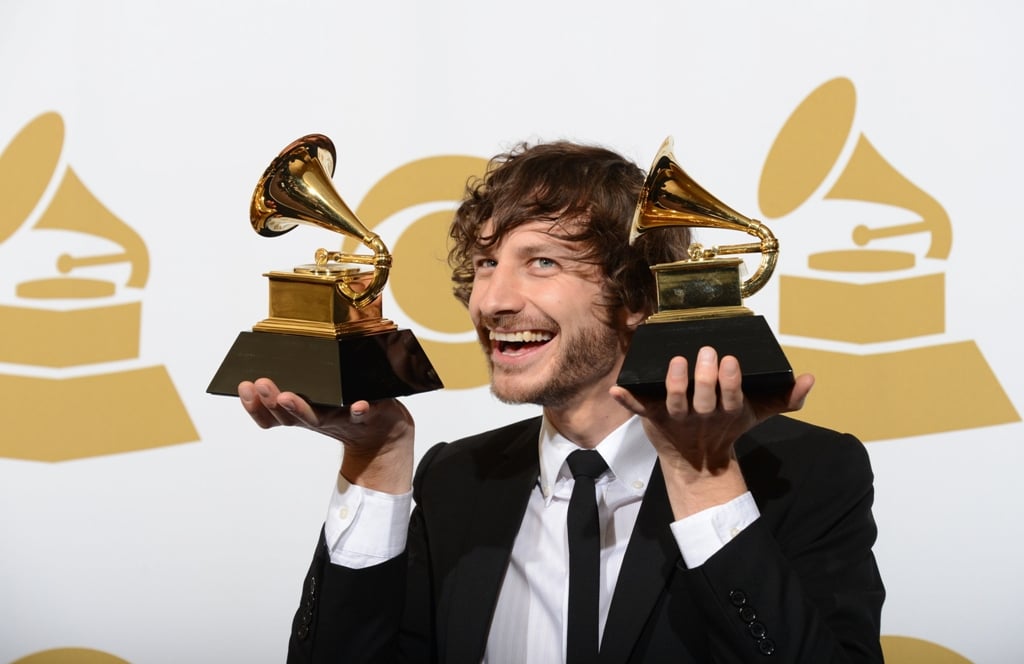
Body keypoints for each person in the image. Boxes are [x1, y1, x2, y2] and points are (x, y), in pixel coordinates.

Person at [238, 141, 885, 663]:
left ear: (636, 296)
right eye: (487, 262)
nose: (493, 300)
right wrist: (376, 463)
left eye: (541, 262)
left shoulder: (802, 475)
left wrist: (704, 477)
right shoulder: (453, 481)